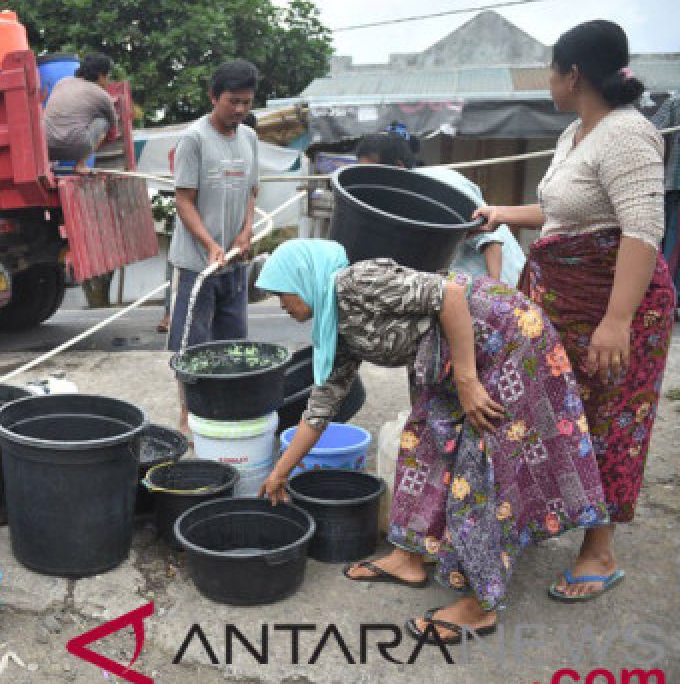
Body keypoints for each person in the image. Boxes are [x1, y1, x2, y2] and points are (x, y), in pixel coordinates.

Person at [256, 240, 608, 642]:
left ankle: (481, 603)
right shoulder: (334, 326)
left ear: (303, 279)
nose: (281, 304)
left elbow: (450, 296)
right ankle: (409, 557)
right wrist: (279, 473)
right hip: (449, 356)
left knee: (479, 463)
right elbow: (321, 409)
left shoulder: (356, 282)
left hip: (504, 339)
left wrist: (467, 381)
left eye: (281, 292)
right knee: (424, 445)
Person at [475, 19, 675, 601]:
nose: (548, 79)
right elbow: (561, 213)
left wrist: (617, 323)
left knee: (612, 421)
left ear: (574, 74)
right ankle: (555, 511)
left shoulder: (629, 134)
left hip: (618, 304)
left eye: (551, 68)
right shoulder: (575, 134)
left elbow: (642, 231)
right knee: (560, 412)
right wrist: (502, 213)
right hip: (565, 299)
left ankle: (599, 550)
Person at [168, 60, 260, 430]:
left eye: (246, 102)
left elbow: (252, 190)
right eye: (232, 101)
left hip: (235, 263)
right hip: (197, 265)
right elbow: (183, 200)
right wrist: (209, 244)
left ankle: (226, 412)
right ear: (213, 96)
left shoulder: (250, 138)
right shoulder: (194, 139)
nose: (239, 110)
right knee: (191, 349)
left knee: (233, 346)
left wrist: (246, 231)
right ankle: (188, 419)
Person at [354, 130, 525, 286]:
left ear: (398, 168)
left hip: (502, 286)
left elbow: (490, 238)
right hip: (462, 289)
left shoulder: (440, 186)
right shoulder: (400, 201)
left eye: (374, 172)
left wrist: (496, 291)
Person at [43, 53, 118, 171]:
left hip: (45, 149)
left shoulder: (62, 82)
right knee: (104, 122)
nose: (108, 80)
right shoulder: (103, 95)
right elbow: (113, 133)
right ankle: (81, 164)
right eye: (108, 76)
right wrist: (96, 144)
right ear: (101, 76)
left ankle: (49, 163)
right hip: (77, 149)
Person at [649, 93, 680, 296]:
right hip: (677, 185)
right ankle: (666, 296)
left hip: (675, 185)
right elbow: (649, 129)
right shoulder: (676, 101)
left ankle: (666, 296)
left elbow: (649, 128)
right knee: (673, 245)